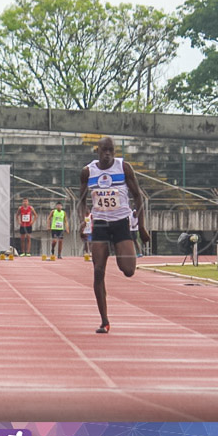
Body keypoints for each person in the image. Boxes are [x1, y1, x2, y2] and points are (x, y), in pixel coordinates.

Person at [78, 136, 149, 334]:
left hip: (121, 223)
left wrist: (141, 227)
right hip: (100, 224)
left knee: (128, 270)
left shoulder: (124, 168)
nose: (108, 154)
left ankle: (118, 249)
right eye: (104, 150)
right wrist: (83, 221)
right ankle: (104, 320)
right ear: (98, 151)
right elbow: (81, 200)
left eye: (111, 150)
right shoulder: (87, 171)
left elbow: (138, 196)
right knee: (98, 271)